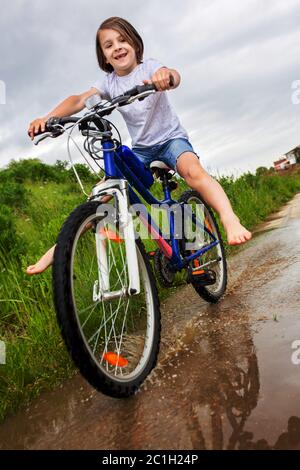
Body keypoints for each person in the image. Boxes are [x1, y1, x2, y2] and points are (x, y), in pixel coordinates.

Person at [26, 16, 251, 276]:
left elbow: (173, 76)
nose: (117, 47)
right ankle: (57, 250)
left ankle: (229, 218)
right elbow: (78, 100)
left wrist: (166, 77)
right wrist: (48, 118)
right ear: (104, 57)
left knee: (192, 172)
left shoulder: (149, 68)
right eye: (108, 45)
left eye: (122, 40)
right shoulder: (109, 83)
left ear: (134, 43)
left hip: (170, 140)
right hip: (142, 149)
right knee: (101, 195)